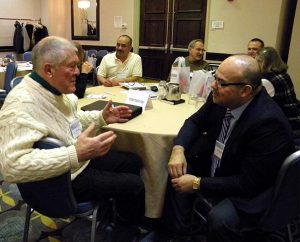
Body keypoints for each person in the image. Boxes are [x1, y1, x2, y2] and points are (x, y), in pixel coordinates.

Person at [0, 36, 145, 225]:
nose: (78, 72)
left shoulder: (55, 90)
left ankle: (112, 215)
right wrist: (75, 153)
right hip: (62, 179)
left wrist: (101, 117)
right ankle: (124, 230)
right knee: (135, 185)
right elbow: (12, 167)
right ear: (48, 69)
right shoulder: (20, 104)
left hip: (77, 161)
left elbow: (69, 121)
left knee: (134, 161)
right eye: (72, 66)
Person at [163, 54, 294, 241]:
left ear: (245, 90)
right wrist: (178, 149)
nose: (213, 85)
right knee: (176, 170)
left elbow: (247, 183)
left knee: (221, 218)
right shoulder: (223, 96)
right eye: (215, 78)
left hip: (249, 188)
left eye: (221, 83)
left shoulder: (268, 124)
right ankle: (181, 233)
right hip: (223, 165)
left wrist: (197, 183)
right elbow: (195, 122)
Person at [256, 46, 300, 138]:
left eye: (258, 61)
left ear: (264, 62)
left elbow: (259, 106)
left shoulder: (266, 80)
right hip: (295, 116)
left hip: (286, 124)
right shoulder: (283, 74)